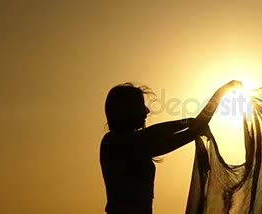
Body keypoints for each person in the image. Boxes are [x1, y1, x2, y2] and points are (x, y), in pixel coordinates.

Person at [100, 80, 242, 214]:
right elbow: (158, 133)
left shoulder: (126, 142)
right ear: (126, 110)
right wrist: (222, 92)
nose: (146, 111)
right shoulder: (115, 143)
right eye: (140, 106)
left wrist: (188, 123)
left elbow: (159, 132)